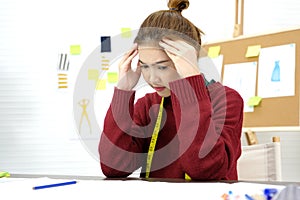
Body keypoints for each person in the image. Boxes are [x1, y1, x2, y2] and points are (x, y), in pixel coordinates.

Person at [98, 0, 244, 181]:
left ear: (189, 59)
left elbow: (205, 170)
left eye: (162, 67)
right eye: (144, 67)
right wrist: (123, 91)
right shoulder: (148, 105)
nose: (152, 78)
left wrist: (190, 84)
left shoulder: (227, 99)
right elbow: (113, 168)